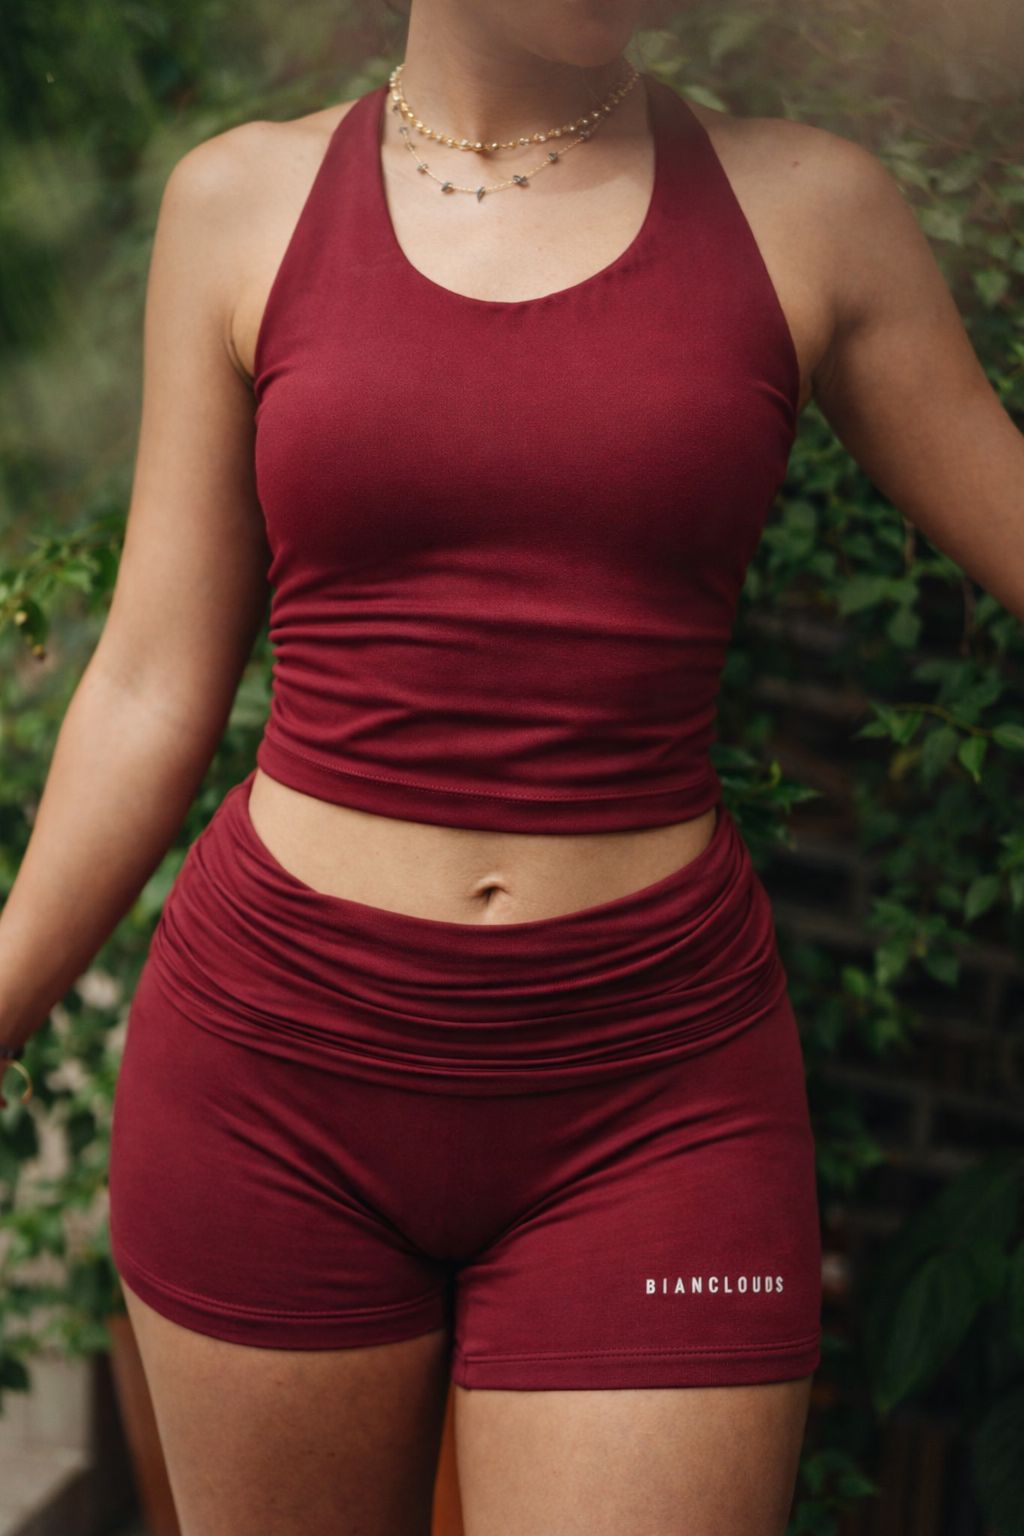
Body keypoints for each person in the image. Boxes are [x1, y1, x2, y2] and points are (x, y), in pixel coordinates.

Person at [2, 1, 1021, 1531]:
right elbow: (151, 685)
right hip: (274, 1076)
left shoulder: (811, 212)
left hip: (658, 1096)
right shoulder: (240, 202)